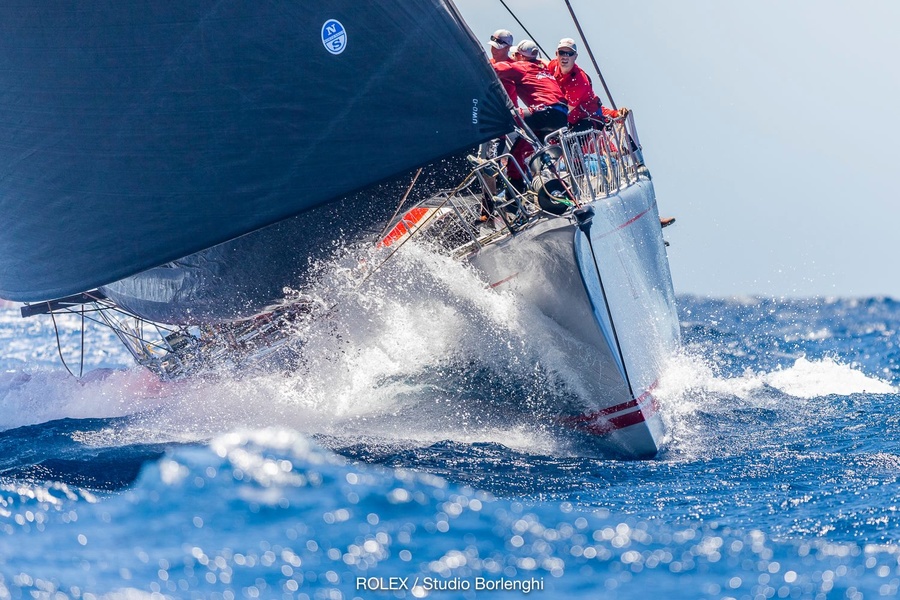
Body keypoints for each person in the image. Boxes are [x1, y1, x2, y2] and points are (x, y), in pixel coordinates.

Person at [492, 40, 568, 192]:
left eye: (516, 55)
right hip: (561, 118)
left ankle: (492, 158)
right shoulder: (544, 68)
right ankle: (515, 195)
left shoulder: (522, 67)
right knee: (518, 152)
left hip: (544, 114)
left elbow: (495, 68)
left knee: (502, 117)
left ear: (521, 56)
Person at [546, 38, 626, 131]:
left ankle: (616, 115)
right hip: (573, 118)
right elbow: (542, 66)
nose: (565, 56)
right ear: (557, 54)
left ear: (575, 56)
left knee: (569, 141)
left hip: (587, 120)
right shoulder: (553, 66)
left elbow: (566, 111)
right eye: (562, 52)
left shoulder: (579, 81)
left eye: (569, 54)